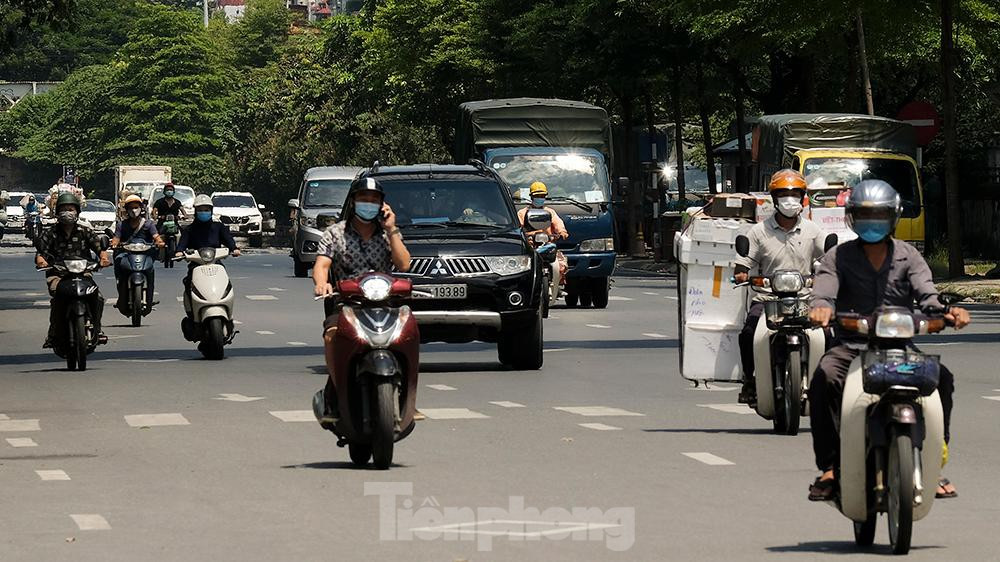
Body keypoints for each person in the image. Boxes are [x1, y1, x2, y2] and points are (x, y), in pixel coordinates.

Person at [806, 180, 970, 501]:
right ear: (852, 218)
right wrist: (822, 309)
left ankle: (933, 462)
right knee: (824, 377)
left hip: (899, 348)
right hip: (851, 348)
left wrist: (948, 313)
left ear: (893, 217)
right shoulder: (837, 257)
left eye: (880, 215)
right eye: (865, 215)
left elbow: (927, 295)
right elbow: (824, 292)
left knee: (944, 379)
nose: (872, 222)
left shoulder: (909, 256)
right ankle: (829, 467)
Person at [311, 177, 410, 427]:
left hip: (384, 304)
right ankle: (335, 392)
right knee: (332, 336)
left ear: (382, 205)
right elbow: (322, 265)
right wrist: (322, 283)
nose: (369, 204)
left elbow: (403, 264)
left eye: (374, 200)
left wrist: (392, 229)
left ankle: (406, 397)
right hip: (346, 304)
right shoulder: (335, 234)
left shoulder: (388, 234)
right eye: (364, 199)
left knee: (408, 334)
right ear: (353, 202)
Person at [734, 169, 829, 406]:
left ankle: (829, 382)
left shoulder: (813, 230)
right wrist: (741, 272)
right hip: (767, 300)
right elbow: (743, 263)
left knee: (829, 334)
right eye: (784, 194)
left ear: (802, 197)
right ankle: (749, 380)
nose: (790, 199)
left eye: (795, 193)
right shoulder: (758, 232)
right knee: (747, 334)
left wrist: (833, 271)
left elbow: (829, 256)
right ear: (774, 198)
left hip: (804, 299)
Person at [34, 193, 111, 348]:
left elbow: (99, 248)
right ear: (57, 212)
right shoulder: (50, 233)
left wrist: (104, 258)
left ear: (77, 212)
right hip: (58, 274)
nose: (67, 212)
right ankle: (53, 333)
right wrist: (41, 261)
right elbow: (40, 253)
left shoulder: (85, 231)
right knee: (57, 298)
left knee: (98, 297)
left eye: (70, 209)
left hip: (84, 273)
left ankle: (97, 328)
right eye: (64, 209)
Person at [111, 195, 165, 315]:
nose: (133, 210)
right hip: (126, 254)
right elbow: (116, 238)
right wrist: (114, 244)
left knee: (150, 269)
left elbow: (156, 237)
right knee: (119, 261)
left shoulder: (148, 224)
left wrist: (159, 242)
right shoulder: (121, 224)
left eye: (136, 207)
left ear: (141, 208)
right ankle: (121, 290)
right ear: (127, 210)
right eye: (130, 208)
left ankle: (149, 295)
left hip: (145, 254)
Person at [175, 195, 240, 292]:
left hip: (215, 262)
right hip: (196, 264)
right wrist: (179, 252)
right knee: (189, 282)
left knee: (226, 284)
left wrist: (234, 249)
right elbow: (182, 244)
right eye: (200, 210)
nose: (204, 212)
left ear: (211, 211)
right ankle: (191, 305)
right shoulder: (190, 229)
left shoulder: (218, 227)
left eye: (206, 210)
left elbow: (228, 240)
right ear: (195, 211)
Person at [518, 181, 569, 282]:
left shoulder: (550, 212)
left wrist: (562, 231)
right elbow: (518, 228)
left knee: (561, 266)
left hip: (547, 246)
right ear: (531, 197)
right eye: (537, 196)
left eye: (542, 196)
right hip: (529, 248)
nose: (539, 198)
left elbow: (557, 222)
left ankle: (557, 287)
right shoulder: (522, 213)